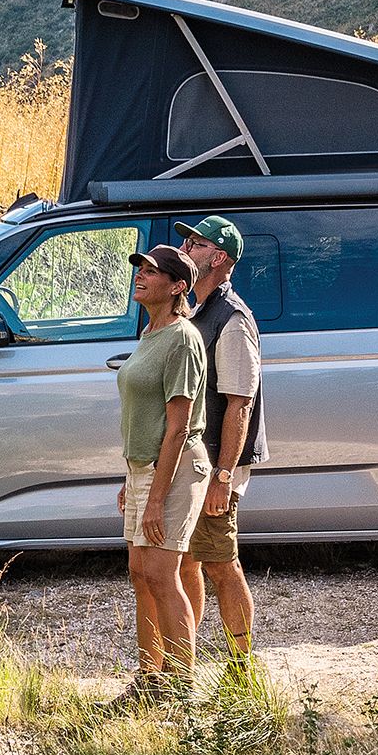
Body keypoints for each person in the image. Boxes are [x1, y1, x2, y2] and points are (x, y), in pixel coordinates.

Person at [114, 242, 210, 700]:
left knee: (162, 571)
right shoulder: (150, 334)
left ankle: (180, 685)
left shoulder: (183, 339)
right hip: (142, 469)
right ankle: (149, 676)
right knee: (140, 570)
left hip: (173, 469)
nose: (141, 275)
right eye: (140, 269)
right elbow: (142, 414)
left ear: (177, 287)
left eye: (151, 271)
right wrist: (129, 479)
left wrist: (154, 496)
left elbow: (177, 428)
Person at [174, 216, 260, 664]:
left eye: (197, 242)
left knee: (221, 564)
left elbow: (238, 405)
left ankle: (242, 672)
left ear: (219, 258)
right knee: (186, 562)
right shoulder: (194, 310)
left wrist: (223, 476)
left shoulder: (232, 319)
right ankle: (183, 666)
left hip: (215, 467)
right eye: (186, 239)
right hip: (193, 463)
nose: (186, 247)